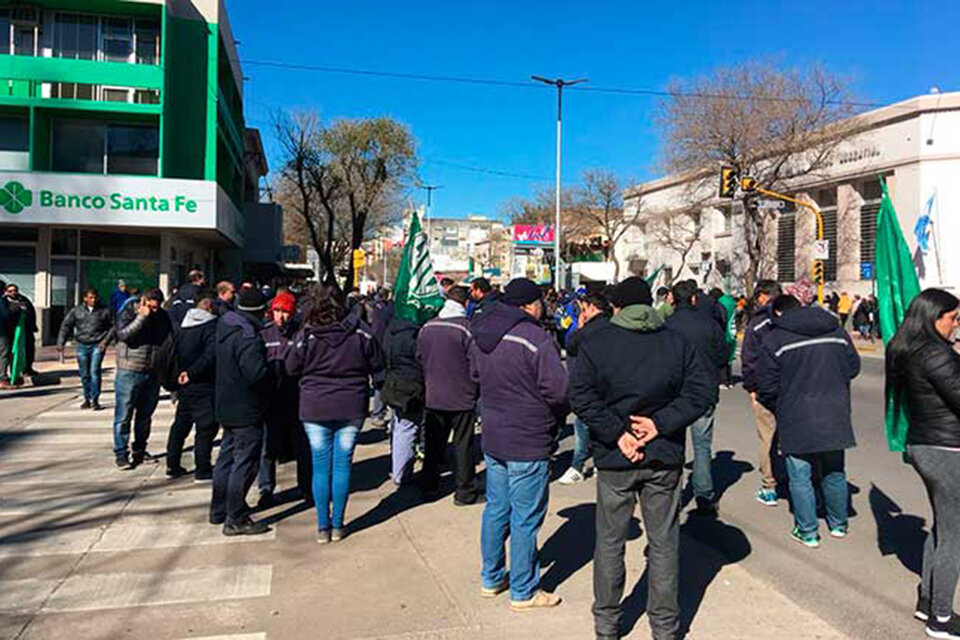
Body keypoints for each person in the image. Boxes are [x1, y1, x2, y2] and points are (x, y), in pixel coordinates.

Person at [570, 276, 713, 640]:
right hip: (663, 458)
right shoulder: (675, 342)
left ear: (616, 307)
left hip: (616, 458)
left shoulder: (596, 343)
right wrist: (658, 425)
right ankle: (665, 629)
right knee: (664, 543)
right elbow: (701, 393)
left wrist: (618, 434)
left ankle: (607, 626)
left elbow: (581, 396)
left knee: (610, 542)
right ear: (649, 304)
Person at [470, 278, 567, 611]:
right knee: (525, 518)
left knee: (497, 508)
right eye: (540, 301)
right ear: (529, 304)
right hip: (528, 437)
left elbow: (474, 375)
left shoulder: (481, 333)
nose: (543, 306)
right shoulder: (535, 339)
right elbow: (558, 390)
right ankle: (524, 590)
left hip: (495, 434)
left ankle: (492, 577)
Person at [756, 294, 860, 549]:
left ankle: (808, 530)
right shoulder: (836, 332)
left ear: (779, 313)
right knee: (835, 471)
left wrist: (779, 399)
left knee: (800, 475)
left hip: (795, 413)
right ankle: (838, 523)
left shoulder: (775, 339)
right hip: (835, 412)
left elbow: (766, 385)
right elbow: (853, 367)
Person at [885, 289, 960, 636]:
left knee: (943, 528)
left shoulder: (911, 349)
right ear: (934, 317)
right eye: (953, 318)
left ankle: (928, 601)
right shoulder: (936, 354)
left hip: (927, 446)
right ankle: (942, 618)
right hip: (947, 450)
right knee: (954, 537)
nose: (956, 325)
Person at [284, 285, 383, 543]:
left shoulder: (306, 334)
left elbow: (291, 367)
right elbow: (377, 363)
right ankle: (338, 524)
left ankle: (322, 527)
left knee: (320, 465)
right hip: (351, 404)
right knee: (342, 464)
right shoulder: (361, 331)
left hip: (315, 405)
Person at [210, 288, 273, 536]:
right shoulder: (248, 337)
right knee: (244, 463)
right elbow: (256, 374)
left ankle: (219, 508)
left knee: (226, 459)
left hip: (226, 404)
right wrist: (271, 372)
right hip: (246, 408)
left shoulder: (226, 327)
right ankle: (235, 516)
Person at [666, 280, 731, 516]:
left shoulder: (667, 324)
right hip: (703, 392)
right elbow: (723, 355)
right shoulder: (709, 324)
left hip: (673, 396)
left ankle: (673, 495)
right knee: (702, 446)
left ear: (673, 299)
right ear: (694, 298)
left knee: (674, 446)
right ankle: (704, 495)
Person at [417, 285, 481, 505]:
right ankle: (464, 491)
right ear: (465, 304)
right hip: (462, 397)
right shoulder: (467, 329)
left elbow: (419, 358)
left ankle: (429, 486)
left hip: (434, 395)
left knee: (434, 445)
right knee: (463, 446)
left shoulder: (427, 327)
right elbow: (476, 365)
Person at [109, 288, 172, 469]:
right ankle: (121, 452)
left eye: (156, 308)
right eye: (151, 307)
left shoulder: (162, 315)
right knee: (123, 415)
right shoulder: (129, 310)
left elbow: (167, 339)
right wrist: (141, 317)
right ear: (143, 301)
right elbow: (123, 335)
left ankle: (140, 449)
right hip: (130, 369)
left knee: (145, 416)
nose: (154, 311)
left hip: (152, 371)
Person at [258, 291, 311, 506]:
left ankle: (306, 486)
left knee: (301, 445)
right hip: (270, 397)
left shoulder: (301, 333)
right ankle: (265, 488)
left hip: (295, 397)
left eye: (285, 312)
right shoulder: (265, 333)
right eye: (277, 311)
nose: (281, 316)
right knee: (267, 447)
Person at [557, 291, 610, 485]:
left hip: (589, 388)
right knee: (598, 426)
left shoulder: (587, 331)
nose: (582, 312)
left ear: (593, 308)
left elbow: (571, 346)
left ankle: (577, 466)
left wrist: (579, 327)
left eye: (584, 308)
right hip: (607, 387)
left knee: (582, 425)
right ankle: (598, 463)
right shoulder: (613, 328)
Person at [165, 292, 218, 480]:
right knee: (205, 428)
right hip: (203, 384)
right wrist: (193, 373)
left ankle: (172, 465)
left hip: (183, 383)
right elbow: (210, 356)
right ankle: (202, 469)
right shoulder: (211, 326)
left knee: (180, 425)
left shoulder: (182, 326)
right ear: (210, 307)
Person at [741, 279, 782, 507]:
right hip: (791, 388)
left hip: (765, 388)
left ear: (764, 296)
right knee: (789, 437)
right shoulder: (792, 318)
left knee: (767, 436)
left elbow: (749, 359)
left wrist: (752, 388)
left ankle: (769, 486)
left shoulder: (757, 323)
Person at [382, 308, 426, 486]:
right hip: (411, 387)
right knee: (407, 429)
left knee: (399, 426)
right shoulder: (415, 336)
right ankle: (401, 473)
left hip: (394, 384)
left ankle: (398, 469)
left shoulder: (390, 332)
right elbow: (421, 360)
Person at [57, 288, 113, 410]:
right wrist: (61, 341)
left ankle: (95, 399)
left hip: (98, 344)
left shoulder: (104, 311)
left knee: (94, 371)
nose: (93, 300)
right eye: (91, 297)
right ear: (85, 298)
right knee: (84, 373)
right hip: (82, 344)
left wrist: (105, 341)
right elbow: (66, 325)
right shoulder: (76, 311)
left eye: (95, 297)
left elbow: (113, 327)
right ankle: (86, 398)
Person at [4, 283, 37, 375]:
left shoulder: (23, 299)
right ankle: (8, 372)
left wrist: (33, 326)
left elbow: (31, 312)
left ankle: (27, 368)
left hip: (26, 329)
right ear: (6, 292)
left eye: (15, 290)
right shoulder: (4, 302)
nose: (13, 293)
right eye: (10, 291)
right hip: (10, 331)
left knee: (29, 348)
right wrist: (17, 308)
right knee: (10, 351)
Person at [712, 287, 738, 388]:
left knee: (722, 357)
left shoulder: (721, 303)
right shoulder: (731, 302)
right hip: (733, 332)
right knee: (730, 358)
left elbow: (721, 318)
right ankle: (730, 381)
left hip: (725, 333)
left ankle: (723, 381)